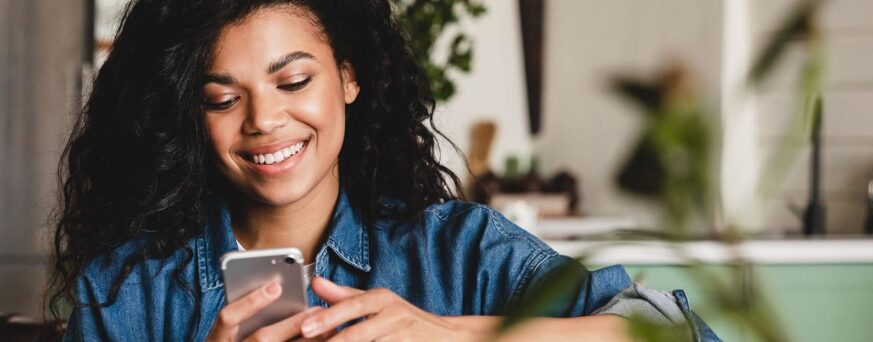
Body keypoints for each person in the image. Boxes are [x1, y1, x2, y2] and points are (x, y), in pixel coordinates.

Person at [50, 0, 719, 341]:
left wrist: (451, 333)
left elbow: (676, 331)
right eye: (222, 99)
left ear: (348, 76)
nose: (263, 120)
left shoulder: (461, 254)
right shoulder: (126, 294)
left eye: (294, 81)